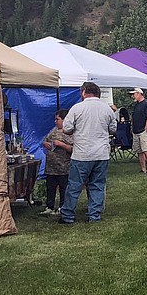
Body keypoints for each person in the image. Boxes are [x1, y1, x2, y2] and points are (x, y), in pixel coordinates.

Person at [59, 81, 117, 224]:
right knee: (97, 185)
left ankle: (68, 216)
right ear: (98, 93)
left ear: (84, 92)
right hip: (101, 154)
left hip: (82, 154)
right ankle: (94, 215)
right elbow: (113, 129)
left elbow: (66, 128)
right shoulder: (107, 109)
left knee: (74, 186)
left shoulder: (77, 108)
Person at [39, 108, 73, 216]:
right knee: (50, 188)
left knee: (63, 189)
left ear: (64, 120)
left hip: (63, 167)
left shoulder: (69, 133)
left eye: (57, 119)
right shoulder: (53, 130)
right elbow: (45, 140)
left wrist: (61, 144)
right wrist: (45, 143)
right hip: (51, 167)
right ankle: (49, 206)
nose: (55, 121)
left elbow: (73, 149)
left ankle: (62, 207)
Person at [131, 88, 147, 176]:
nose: (133, 96)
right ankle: (143, 169)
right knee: (139, 151)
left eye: (134, 94)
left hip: (143, 131)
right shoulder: (136, 105)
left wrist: (145, 129)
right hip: (136, 131)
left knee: (146, 150)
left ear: (139, 94)